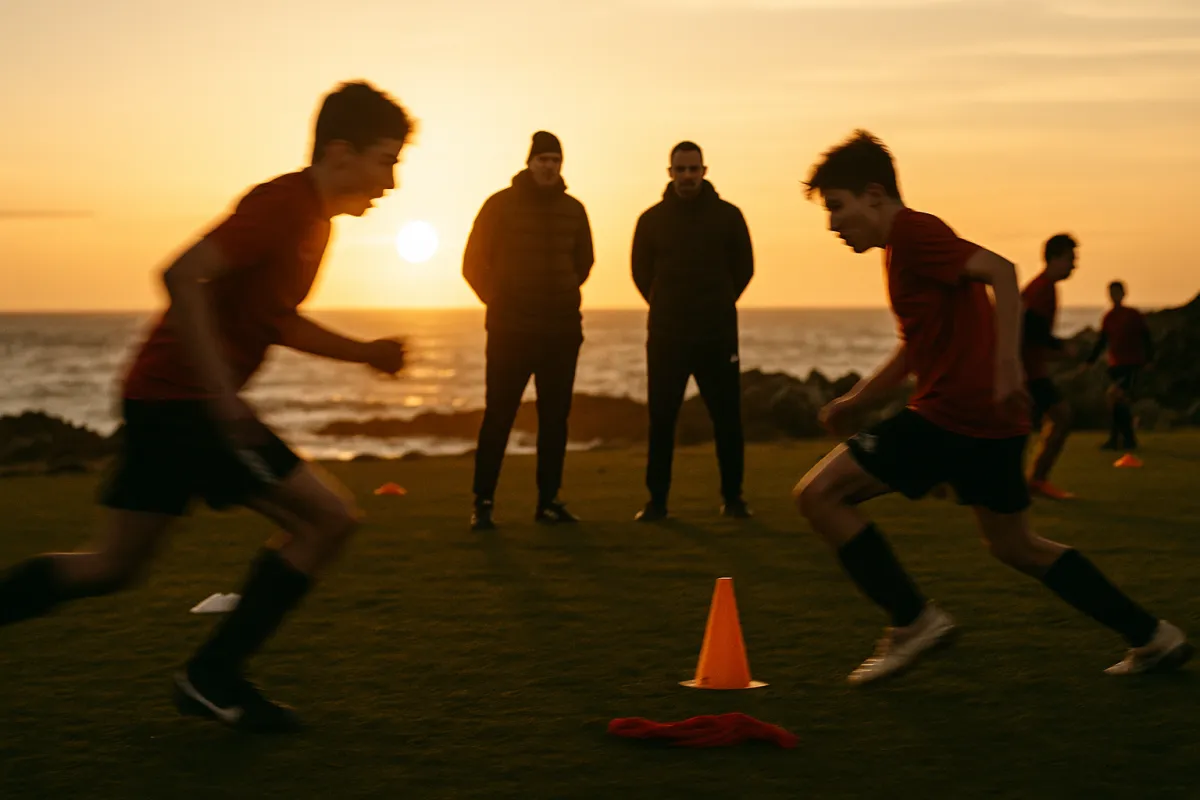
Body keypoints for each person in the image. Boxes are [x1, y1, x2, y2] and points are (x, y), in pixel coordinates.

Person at [0, 81, 414, 732]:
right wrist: (221, 394)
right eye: (386, 159)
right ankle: (211, 677)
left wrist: (365, 353)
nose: (391, 181)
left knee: (114, 566)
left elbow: (276, 319)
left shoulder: (313, 223)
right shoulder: (283, 205)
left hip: (164, 401)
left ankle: (207, 678)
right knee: (328, 521)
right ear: (341, 152)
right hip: (184, 405)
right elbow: (180, 272)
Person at [792, 129, 1191, 686]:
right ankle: (1153, 636)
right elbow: (916, 344)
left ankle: (913, 622)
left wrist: (1007, 364)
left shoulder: (913, 233)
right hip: (992, 422)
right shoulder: (905, 251)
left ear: (875, 195)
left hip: (955, 414)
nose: (833, 223)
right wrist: (859, 400)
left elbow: (1002, 271)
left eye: (837, 207)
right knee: (1015, 545)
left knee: (819, 494)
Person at [462, 131, 594, 531]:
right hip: (509, 332)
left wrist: (562, 297)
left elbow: (584, 263)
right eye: (543, 160)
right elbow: (472, 264)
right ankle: (483, 502)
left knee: (555, 420)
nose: (549, 166)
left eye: (555, 160)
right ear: (529, 162)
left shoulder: (574, 210)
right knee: (498, 416)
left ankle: (549, 501)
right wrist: (501, 303)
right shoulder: (499, 206)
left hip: (561, 333)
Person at [631, 141, 754, 522]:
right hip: (667, 336)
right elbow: (639, 272)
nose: (687, 176)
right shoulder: (651, 220)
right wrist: (666, 305)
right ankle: (657, 503)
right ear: (669, 173)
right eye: (680, 170)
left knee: (727, 420)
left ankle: (733, 499)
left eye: (693, 169)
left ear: (704, 170)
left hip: (717, 335)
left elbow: (744, 268)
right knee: (662, 419)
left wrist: (717, 303)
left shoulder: (728, 216)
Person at [1021, 234, 1079, 500]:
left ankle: (1035, 480)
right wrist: (1060, 346)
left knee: (1039, 423)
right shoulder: (1041, 288)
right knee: (1061, 417)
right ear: (1054, 258)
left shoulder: (1045, 287)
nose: (1074, 265)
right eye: (1070, 259)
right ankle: (1036, 480)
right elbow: (1031, 327)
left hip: (1031, 369)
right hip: (1026, 372)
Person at [1088, 281, 1154, 451]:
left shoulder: (1132, 315)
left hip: (1132, 363)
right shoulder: (1109, 317)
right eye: (1111, 293)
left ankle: (1124, 439)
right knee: (1116, 402)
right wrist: (1090, 360)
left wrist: (1149, 359)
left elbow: (1146, 337)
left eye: (1117, 292)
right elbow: (1102, 341)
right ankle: (1122, 439)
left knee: (1117, 398)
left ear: (1123, 294)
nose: (1114, 296)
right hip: (1115, 364)